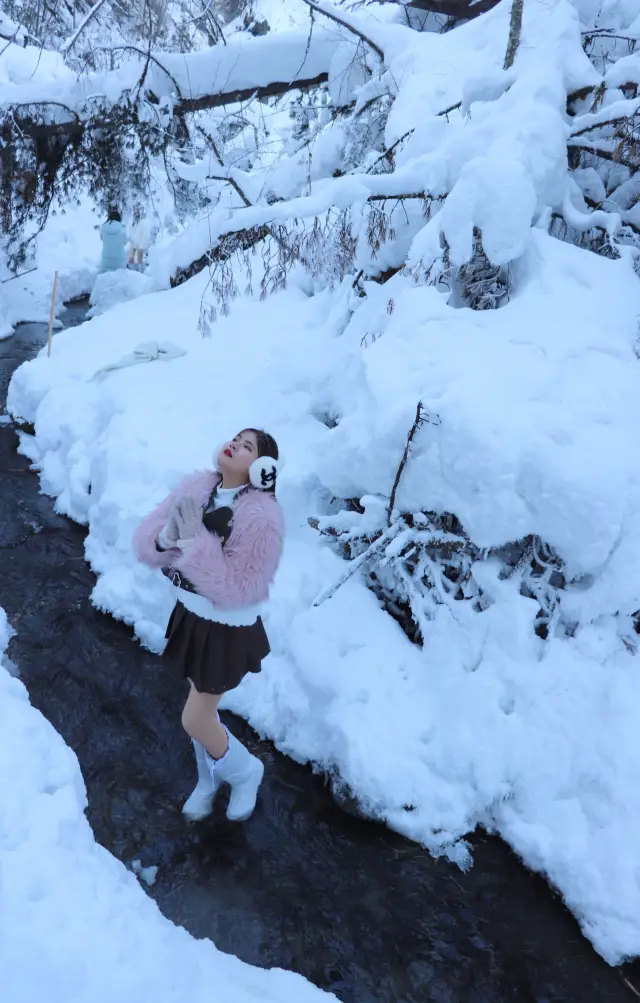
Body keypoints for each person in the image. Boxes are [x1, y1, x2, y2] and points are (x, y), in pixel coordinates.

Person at [133, 429, 283, 823]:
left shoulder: (261, 517)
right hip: (193, 616)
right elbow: (151, 538)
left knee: (195, 718)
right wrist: (166, 540)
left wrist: (195, 542)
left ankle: (246, 772)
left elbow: (242, 587)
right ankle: (209, 779)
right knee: (203, 713)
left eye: (248, 446)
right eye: (236, 438)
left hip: (226, 630)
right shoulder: (200, 487)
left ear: (261, 467)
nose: (235, 444)